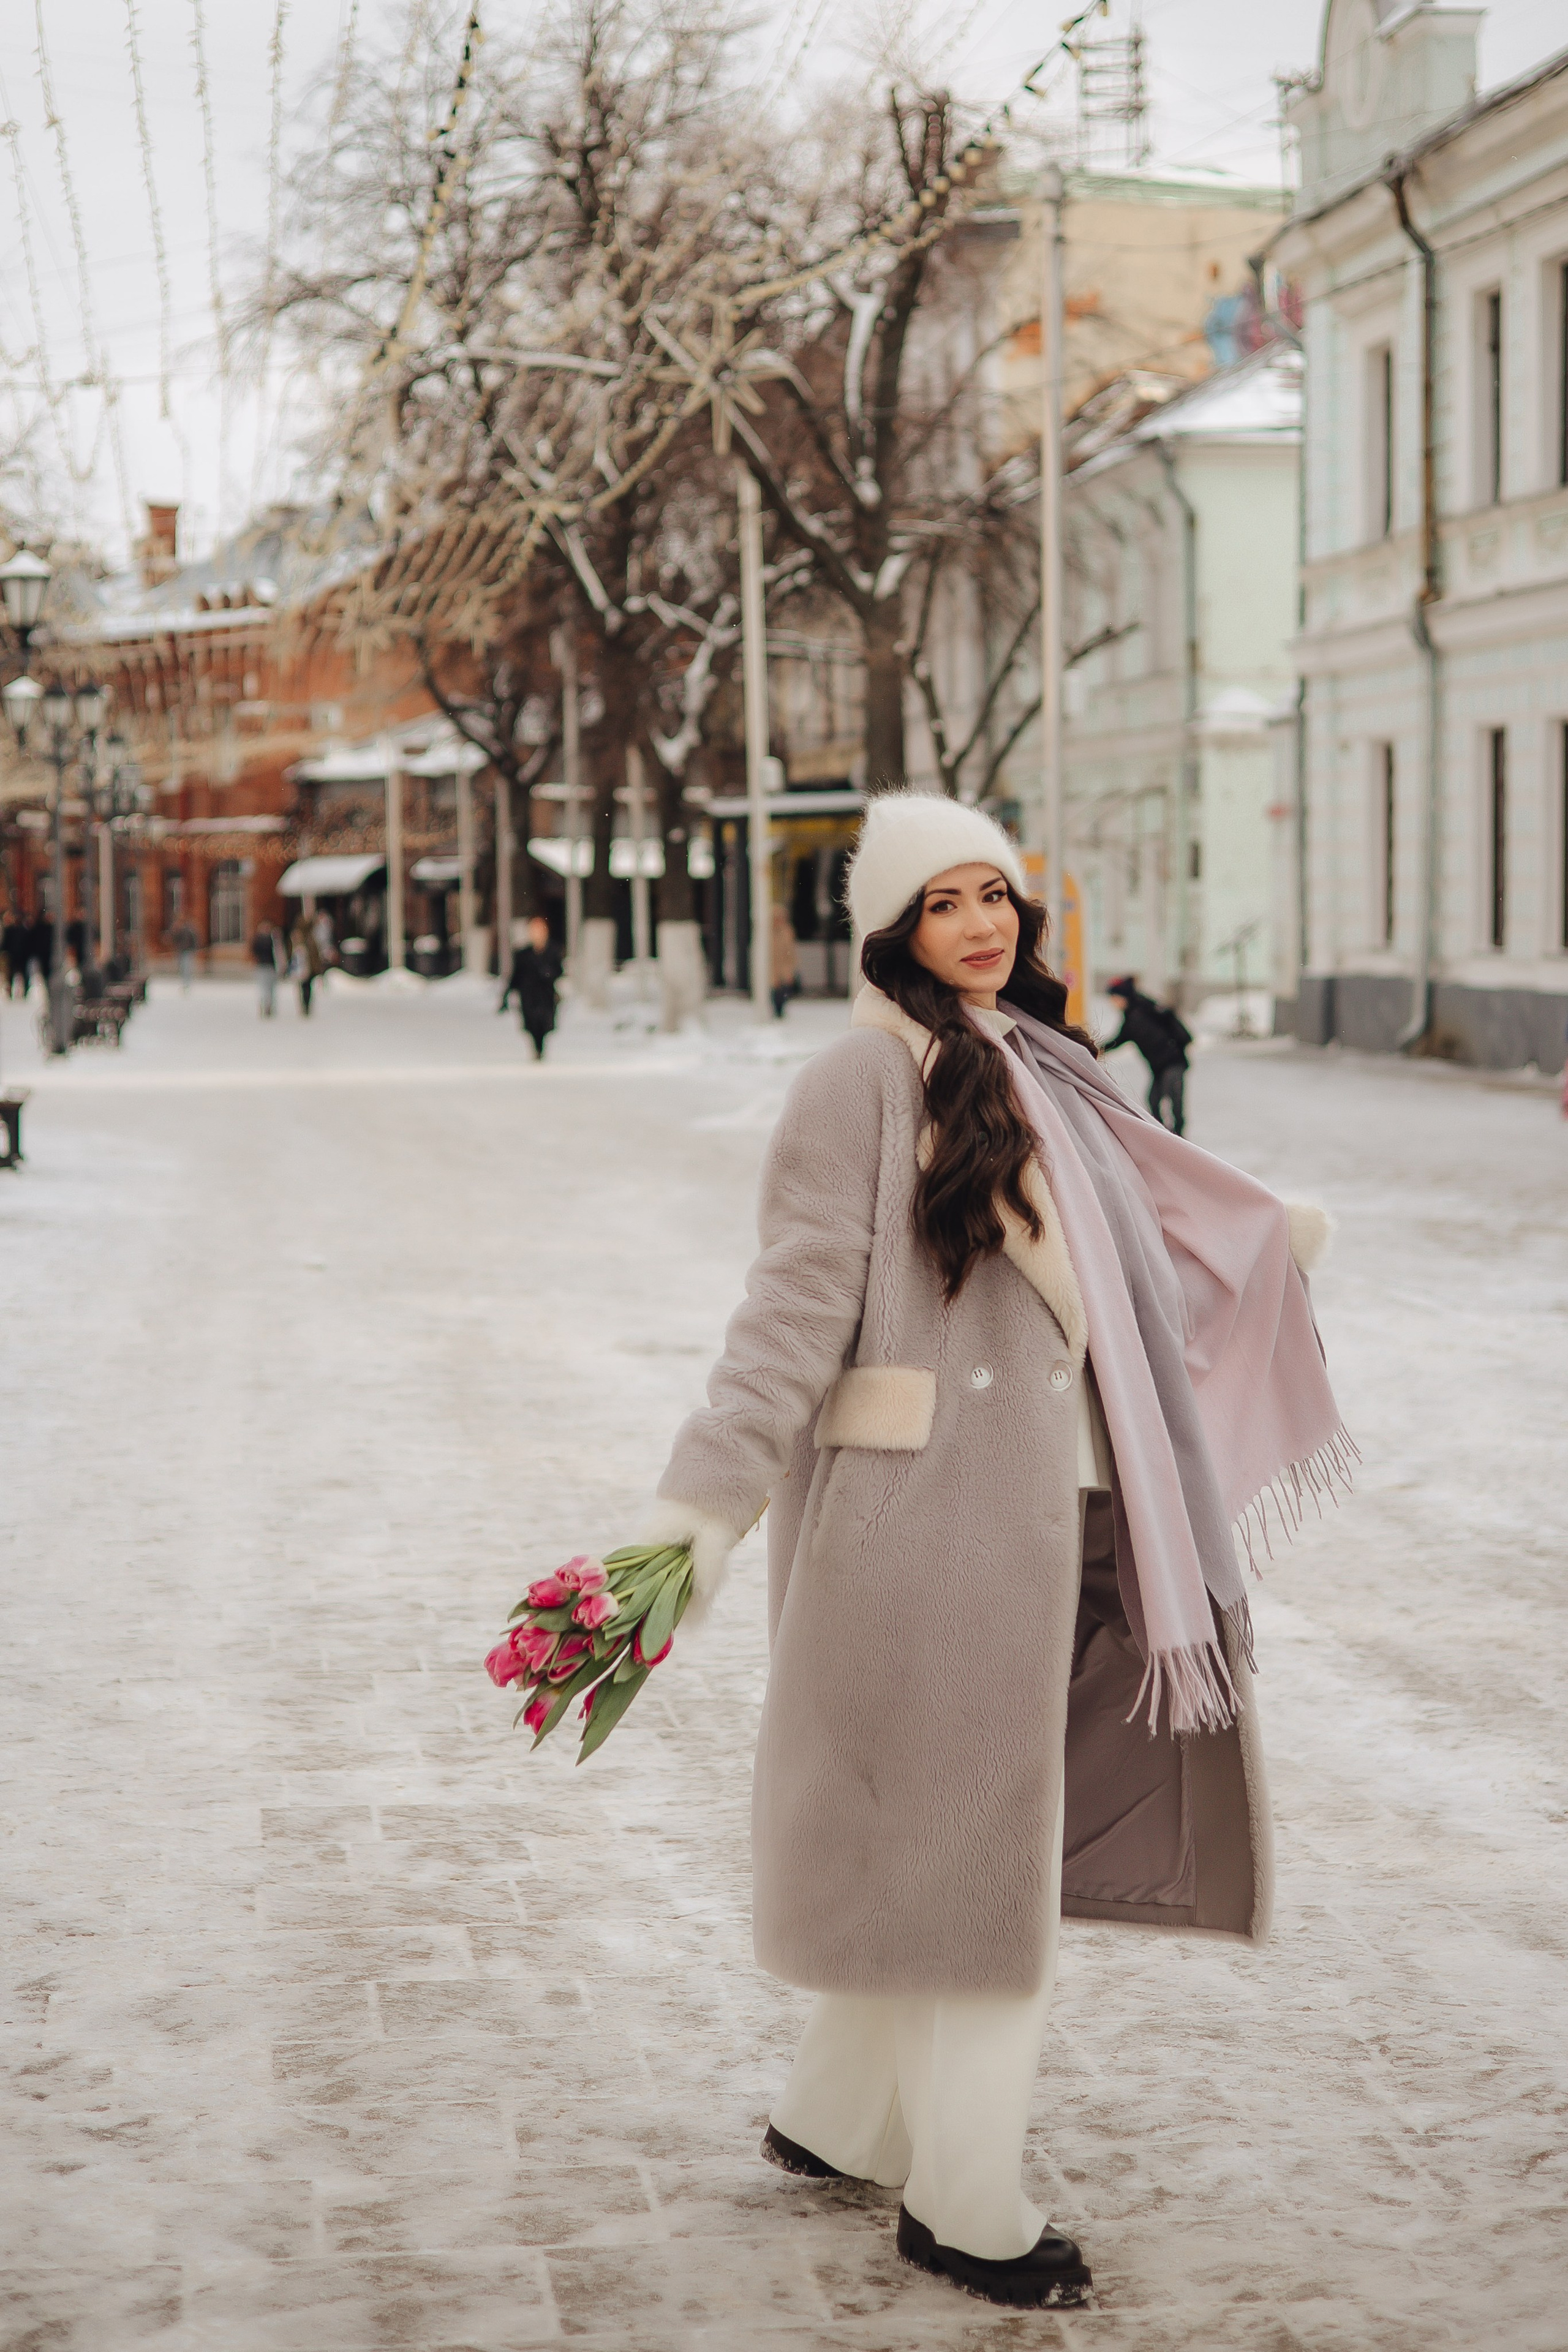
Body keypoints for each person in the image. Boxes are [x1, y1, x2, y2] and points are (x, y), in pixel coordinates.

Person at [636, 792, 1346, 2312]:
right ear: (891, 928)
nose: (982, 921)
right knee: (978, 1872)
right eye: (945, 899)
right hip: (918, 1538)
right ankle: (963, 2200)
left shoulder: (1046, 1068)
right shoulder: (857, 1083)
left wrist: (1259, 1236)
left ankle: (838, 2111)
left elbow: (1125, 1251)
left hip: (1070, 1513)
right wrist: (699, 1511)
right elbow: (788, 1308)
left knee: (951, 1850)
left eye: (996, 894)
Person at [1102, 973, 1191, 1134]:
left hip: (1172, 1062)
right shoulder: (1132, 1015)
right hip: (1159, 1067)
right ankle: (1164, 1135)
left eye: (1114, 998)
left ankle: (1178, 1137)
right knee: (1154, 1100)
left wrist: (1181, 1042)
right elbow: (1120, 1039)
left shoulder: (1143, 1010)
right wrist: (1098, 1049)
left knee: (1173, 1101)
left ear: (1122, 997)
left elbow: (1169, 1018)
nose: (1113, 1003)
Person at [498, 914, 563, 1058]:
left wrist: (550, 974)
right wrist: (506, 996)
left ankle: (541, 1047)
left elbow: (559, 972)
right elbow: (516, 976)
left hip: (546, 995)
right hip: (528, 995)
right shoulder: (523, 954)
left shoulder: (553, 951)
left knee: (544, 1022)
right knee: (532, 1023)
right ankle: (536, 1048)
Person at [769, 902, 799, 1020]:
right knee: (774, 991)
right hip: (772, 967)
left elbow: (790, 951)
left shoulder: (787, 932)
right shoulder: (768, 933)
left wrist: (791, 968)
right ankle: (776, 1011)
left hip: (784, 967)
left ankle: (781, 1011)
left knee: (784, 991)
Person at [292, 916, 323, 1017]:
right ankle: (306, 1005)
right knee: (307, 987)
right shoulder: (308, 939)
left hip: (307, 968)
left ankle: (305, 1005)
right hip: (307, 967)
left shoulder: (304, 939)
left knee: (304, 987)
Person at [251, 922, 282, 1018]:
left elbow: (254, 952)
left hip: (263, 966)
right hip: (268, 966)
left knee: (265, 988)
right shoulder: (271, 940)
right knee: (269, 988)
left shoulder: (258, 940)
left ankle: (265, 1005)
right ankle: (268, 1006)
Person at [170, 917, 198, 992]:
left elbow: (193, 941)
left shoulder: (189, 931)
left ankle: (187, 984)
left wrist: (193, 949)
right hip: (182, 951)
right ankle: (185, 983)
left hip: (187, 952)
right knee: (183, 968)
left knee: (186, 968)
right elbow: (175, 940)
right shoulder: (180, 931)